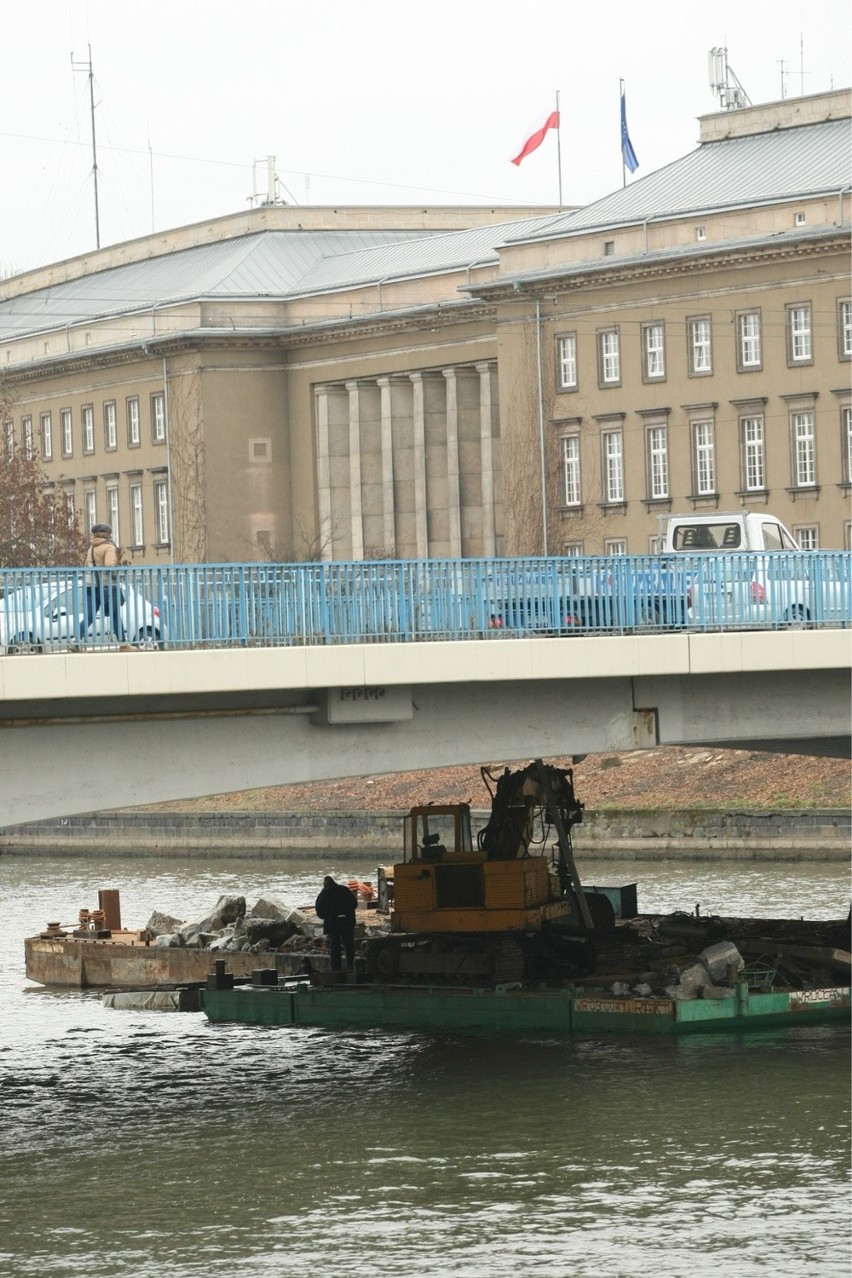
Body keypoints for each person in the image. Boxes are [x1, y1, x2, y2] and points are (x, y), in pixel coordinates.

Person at [70, 523, 132, 652]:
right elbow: (109, 566)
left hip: (90, 585)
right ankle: (123, 644)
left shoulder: (91, 548)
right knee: (115, 614)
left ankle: (76, 641)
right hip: (105, 585)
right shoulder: (108, 547)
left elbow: (87, 565)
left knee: (90, 616)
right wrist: (116, 570)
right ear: (108, 534)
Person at [314, 875, 358, 972]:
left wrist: (327, 916)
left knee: (334, 946)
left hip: (333, 923)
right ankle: (351, 965)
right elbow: (354, 904)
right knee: (349, 944)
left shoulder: (324, 893)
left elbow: (319, 910)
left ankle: (336, 969)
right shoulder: (344, 889)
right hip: (348, 921)